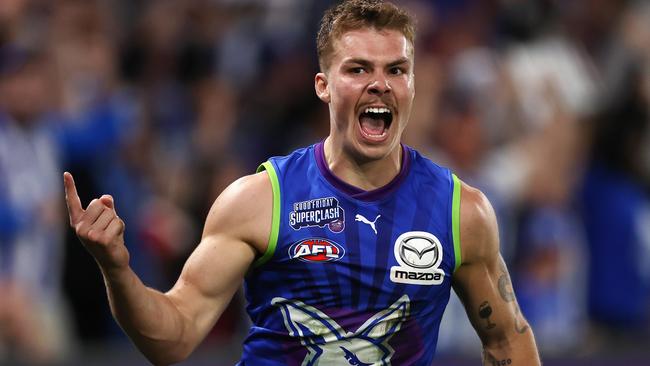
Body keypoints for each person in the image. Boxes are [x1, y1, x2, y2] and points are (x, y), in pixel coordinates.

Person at [63, 1, 541, 364]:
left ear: (413, 85)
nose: (380, 84)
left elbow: (507, 337)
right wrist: (117, 269)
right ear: (323, 85)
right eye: (358, 69)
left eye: (396, 70)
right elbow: (175, 335)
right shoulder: (260, 200)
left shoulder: (462, 211)